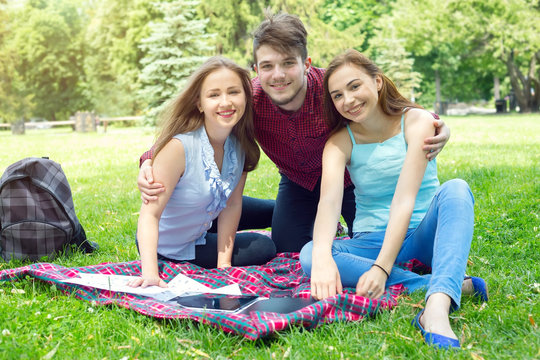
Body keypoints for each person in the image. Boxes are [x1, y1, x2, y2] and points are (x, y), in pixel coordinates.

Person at [137, 11, 451, 253]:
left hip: (351, 183)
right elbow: (195, 126)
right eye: (268, 66)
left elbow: (386, 105)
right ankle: (292, 219)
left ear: (306, 63)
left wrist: (437, 124)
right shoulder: (250, 100)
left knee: (385, 245)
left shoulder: (332, 89)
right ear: (256, 69)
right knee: (286, 246)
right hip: (297, 182)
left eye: (288, 63)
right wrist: (149, 162)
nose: (278, 75)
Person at [299, 49, 488, 349]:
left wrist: (381, 269)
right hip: (370, 240)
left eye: (354, 86)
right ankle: (440, 283)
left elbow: (404, 199)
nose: (348, 100)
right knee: (310, 253)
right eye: (337, 95)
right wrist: (322, 256)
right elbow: (329, 204)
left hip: (422, 234)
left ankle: (436, 308)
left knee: (457, 188)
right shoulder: (338, 142)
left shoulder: (417, 121)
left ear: (376, 81)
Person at [128, 57, 276, 289]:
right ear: (199, 103)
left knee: (277, 210)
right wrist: (150, 274)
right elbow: (149, 215)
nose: (225, 102)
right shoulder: (179, 148)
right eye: (214, 95)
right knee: (263, 247)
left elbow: (232, 204)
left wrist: (223, 265)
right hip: (171, 244)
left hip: (208, 211)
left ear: (246, 97)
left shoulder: (240, 146)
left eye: (233, 92)